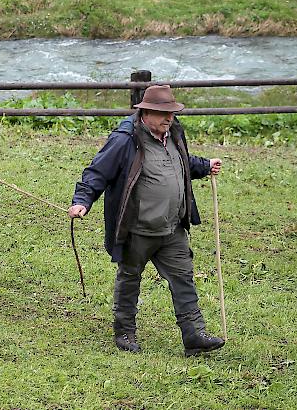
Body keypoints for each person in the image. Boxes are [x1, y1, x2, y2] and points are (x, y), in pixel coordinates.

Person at [68, 85, 225, 357]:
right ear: (145, 112)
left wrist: (203, 165)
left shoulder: (174, 134)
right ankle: (125, 331)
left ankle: (193, 334)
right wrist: (82, 200)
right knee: (130, 278)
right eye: (163, 114)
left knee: (183, 277)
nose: (169, 119)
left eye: (172, 114)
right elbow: (97, 171)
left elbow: (179, 162)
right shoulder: (125, 139)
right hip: (137, 228)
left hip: (172, 227)